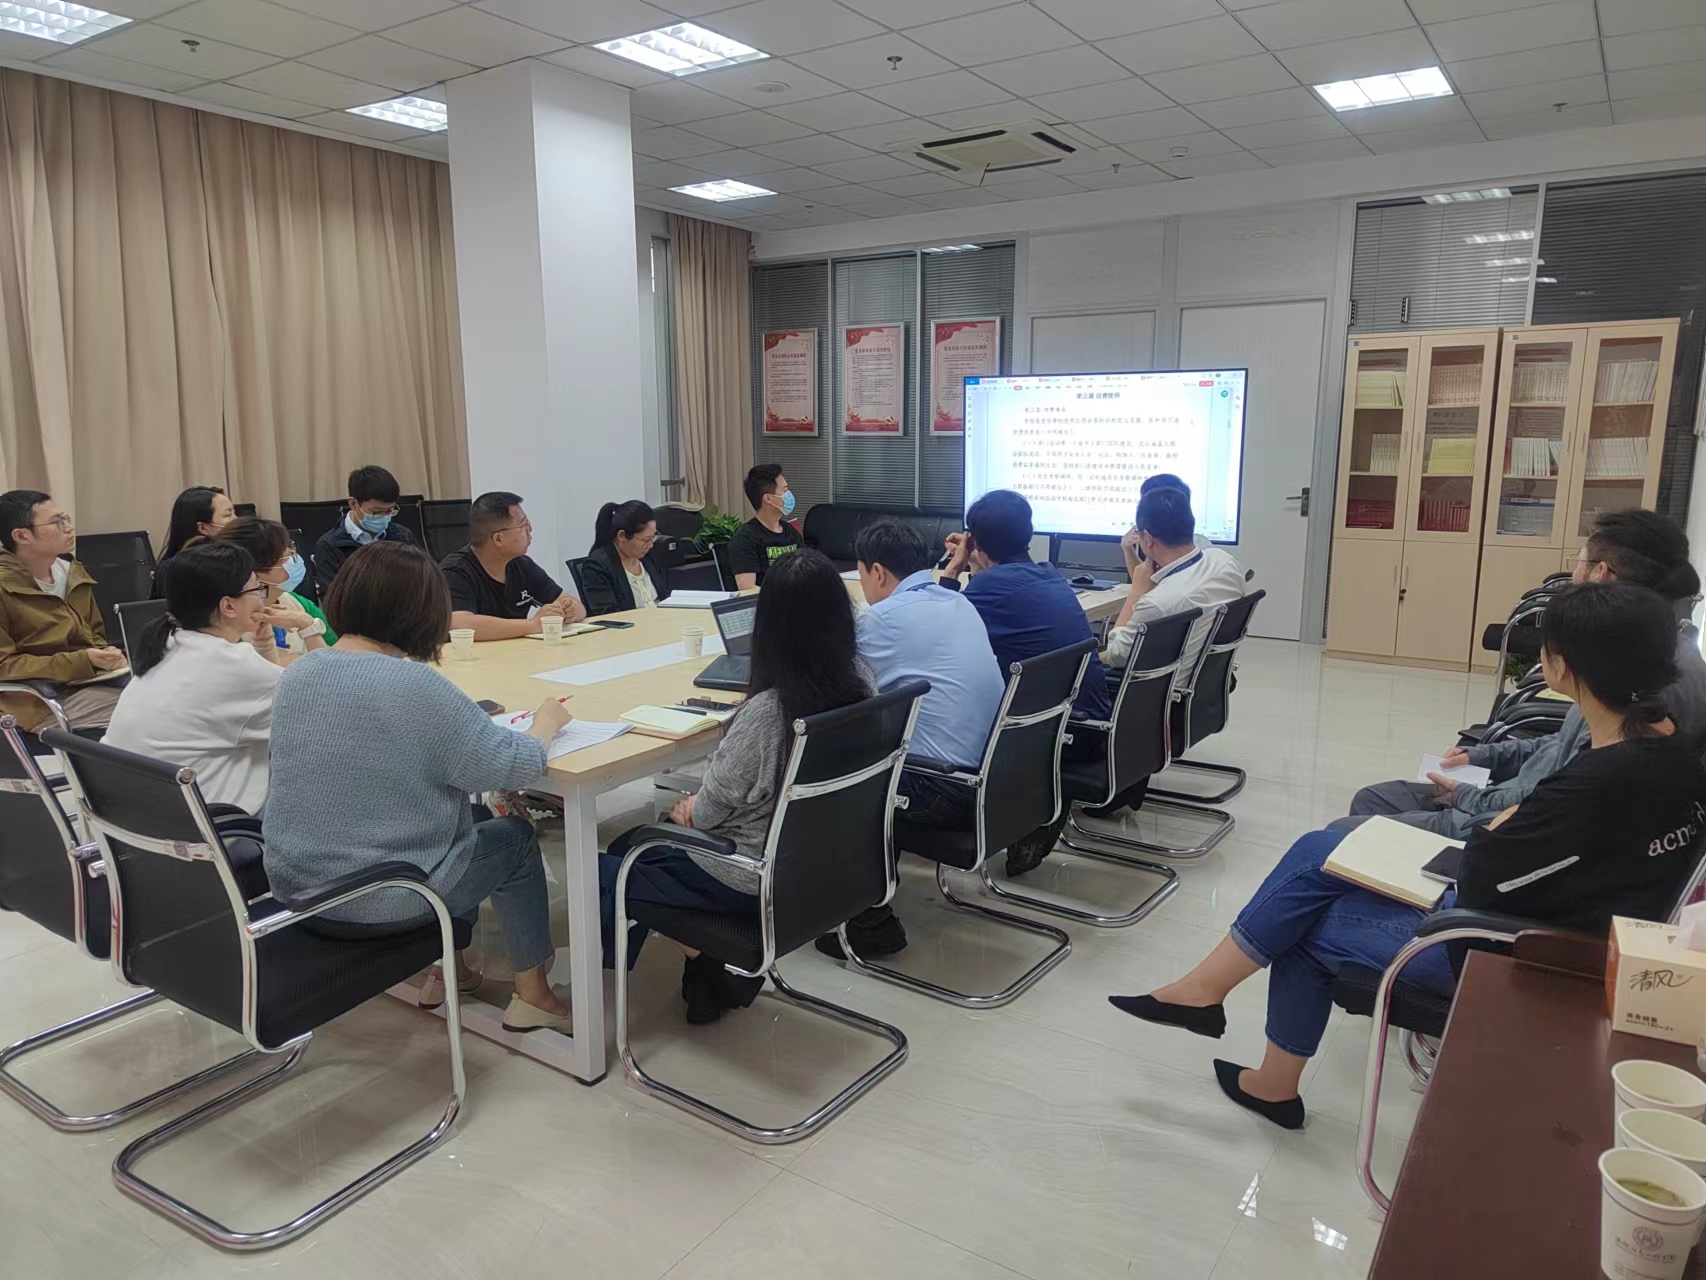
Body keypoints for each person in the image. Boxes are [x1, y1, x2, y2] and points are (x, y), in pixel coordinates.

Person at [1109, 583, 1706, 1130]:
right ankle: (1206, 998)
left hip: (1514, 951)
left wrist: (1503, 827)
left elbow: (1487, 874)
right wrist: (1506, 829)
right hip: (1566, 925)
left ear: (1561, 667)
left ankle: (1260, 1069)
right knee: (1320, 851)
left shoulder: (1598, 783)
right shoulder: (1675, 753)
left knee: (1303, 920)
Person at [264, 542, 573, 1033]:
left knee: (473, 820)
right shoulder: (414, 685)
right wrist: (546, 723)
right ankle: (533, 995)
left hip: (298, 887)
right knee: (513, 839)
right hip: (377, 897)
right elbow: (513, 765)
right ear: (422, 613)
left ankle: (452, 970)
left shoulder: (299, 672)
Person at [599, 549, 871, 1024]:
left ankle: (613, 996)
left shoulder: (768, 712)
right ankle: (703, 970)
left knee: (607, 866)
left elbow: (706, 815)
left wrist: (688, 810)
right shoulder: (862, 683)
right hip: (828, 865)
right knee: (633, 844)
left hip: (749, 874)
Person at [1336, 508, 1706, 839]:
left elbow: (1562, 796)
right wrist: (1483, 756)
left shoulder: (1641, 676)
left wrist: (1467, 796)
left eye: (1578, 560)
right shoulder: (1642, 650)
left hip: (1506, 824)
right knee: (1372, 800)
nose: (1572, 574)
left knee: (1342, 835)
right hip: (1509, 796)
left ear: (1601, 573)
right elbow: (1562, 748)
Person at [822, 518, 1005, 959]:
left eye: (861, 574)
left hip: (946, 788)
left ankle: (867, 918)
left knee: (832, 772)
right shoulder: (958, 602)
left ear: (877, 572)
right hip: (999, 775)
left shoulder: (880, 621)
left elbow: (835, 697)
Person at [939, 488, 1111, 874]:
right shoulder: (1049, 574)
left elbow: (936, 630)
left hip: (1058, 736)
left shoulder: (988, 589)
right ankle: (1041, 806)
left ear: (975, 543)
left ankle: (1034, 805)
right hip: (1088, 724)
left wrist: (954, 569)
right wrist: (978, 562)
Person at [104, 542, 282, 815]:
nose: (262, 598)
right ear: (228, 606)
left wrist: (264, 643)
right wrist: (310, 629)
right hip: (204, 824)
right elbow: (322, 711)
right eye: (257, 588)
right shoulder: (233, 665)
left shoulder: (166, 643)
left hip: (131, 817)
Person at [0, 490, 127, 741]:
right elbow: (4, 666)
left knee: (168, 692)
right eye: (57, 522)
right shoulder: (4, 585)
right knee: (153, 708)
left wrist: (106, 654)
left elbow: (94, 637)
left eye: (65, 519)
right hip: (36, 702)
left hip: (90, 684)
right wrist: (82, 660)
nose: (69, 528)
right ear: (22, 536)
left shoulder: (72, 573)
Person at [1104, 484, 1248, 674]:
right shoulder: (1225, 561)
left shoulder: (1158, 603)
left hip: (1165, 686)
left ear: (1148, 539)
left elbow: (1116, 655)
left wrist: (1136, 592)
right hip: (1206, 678)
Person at [439, 491, 587, 641]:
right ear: (498, 539)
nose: (530, 530)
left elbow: (579, 609)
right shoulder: (455, 571)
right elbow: (461, 625)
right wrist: (532, 625)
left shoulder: (522, 565)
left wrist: (568, 611)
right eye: (523, 525)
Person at [212, 517, 334, 660]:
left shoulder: (300, 604)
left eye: (291, 546)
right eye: (283, 555)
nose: (291, 553)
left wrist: (308, 626)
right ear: (254, 572)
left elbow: (340, 658)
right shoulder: (224, 625)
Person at [311, 465, 420, 595]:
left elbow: (423, 578)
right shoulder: (329, 545)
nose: (384, 517)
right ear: (353, 504)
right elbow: (332, 597)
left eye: (389, 511)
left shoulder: (403, 536)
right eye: (376, 512)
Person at [580, 500, 671, 615]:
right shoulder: (597, 567)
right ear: (622, 536)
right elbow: (609, 615)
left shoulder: (647, 557)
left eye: (653, 538)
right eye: (645, 540)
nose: (650, 545)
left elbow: (664, 596)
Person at [726, 462, 802, 590]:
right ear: (768, 499)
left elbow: (806, 570)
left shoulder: (790, 531)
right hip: (769, 600)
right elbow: (747, 588)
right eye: (785, 490)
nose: (789, 494)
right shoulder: (745, 538)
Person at [158, 485, 237, 568]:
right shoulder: (211, 567)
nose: (236, 519)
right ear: (203, 527)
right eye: (227, 515)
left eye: (234, 513)